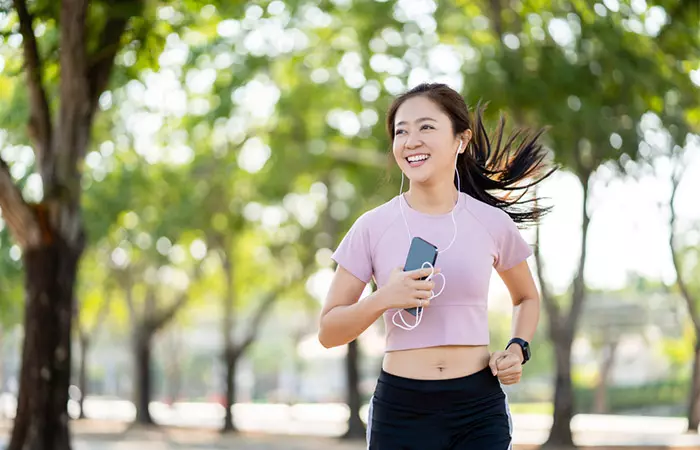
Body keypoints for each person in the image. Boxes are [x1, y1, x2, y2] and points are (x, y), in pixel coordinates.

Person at [318, 82, 555, 450]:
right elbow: (329, 331)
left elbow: (526, 297)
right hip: (401, 409)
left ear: (461, 139)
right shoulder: (372, 226)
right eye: (401, 131)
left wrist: (517, 347)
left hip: (478, 409)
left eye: (426, 127)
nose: (411, 140)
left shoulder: (490, 223)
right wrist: (384, 298)